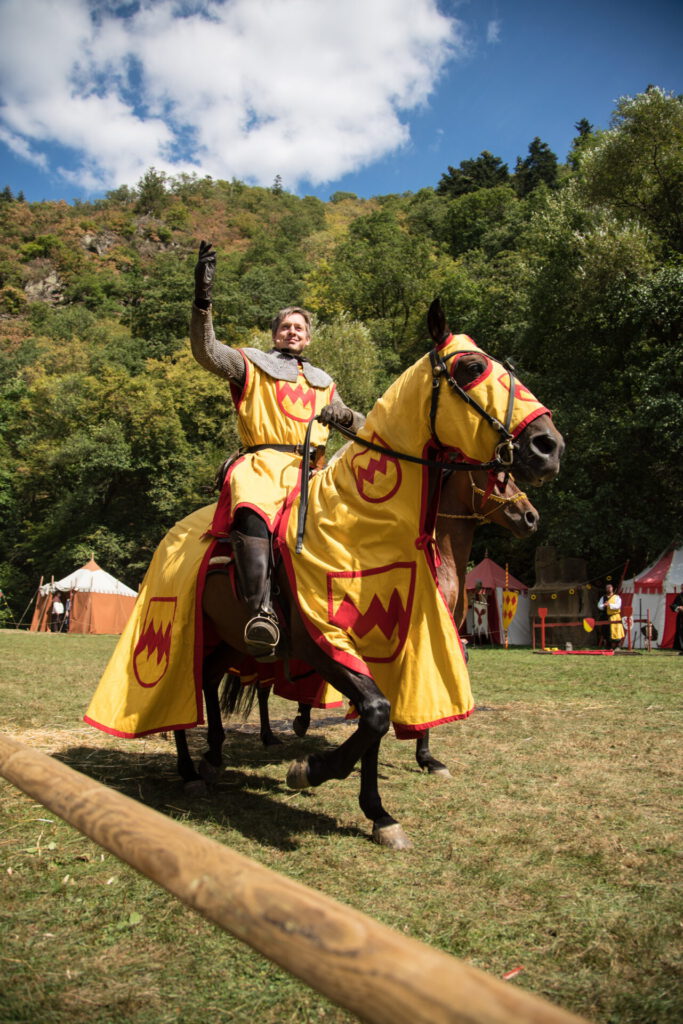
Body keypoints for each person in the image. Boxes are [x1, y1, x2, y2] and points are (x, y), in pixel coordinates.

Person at [190, 241, 365, 658]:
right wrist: (202, 301)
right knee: (252, 514)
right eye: (286, 327)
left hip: (314, 472)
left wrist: (344, 419)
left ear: (307, 338)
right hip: (263, 464)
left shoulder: (324, 381)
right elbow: (207, 352)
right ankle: (261, 612)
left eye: (299, 328)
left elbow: (361, 425)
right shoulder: (250, 363)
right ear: (275, 334)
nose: (292, 332)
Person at [598, 582, 625, 650]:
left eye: (610, 587)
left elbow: (618, 606)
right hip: (606, 617)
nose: (608, 589)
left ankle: (617, 646)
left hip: (615, 617)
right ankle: (608, 646)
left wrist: (609, 605)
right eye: (607, 588)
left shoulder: (617, 597)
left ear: (612, 588)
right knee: (606, 631)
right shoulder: (603, 597)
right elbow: (599, 606)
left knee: (616, 631)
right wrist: (604, 605)